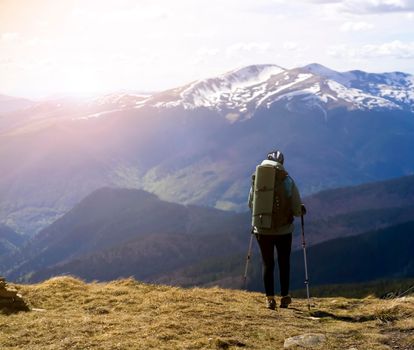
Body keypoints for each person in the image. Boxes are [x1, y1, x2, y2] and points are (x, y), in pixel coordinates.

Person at [248, 150, 306, 310]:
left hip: (262, 229)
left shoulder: (257, 179)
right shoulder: (287, 180)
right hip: (283, 230)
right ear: (281, 162)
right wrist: (300, 210)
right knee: (283, 262)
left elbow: (250, 204)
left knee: (267, 263)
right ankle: (285, 297)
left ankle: (269, 299)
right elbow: (295, 208)